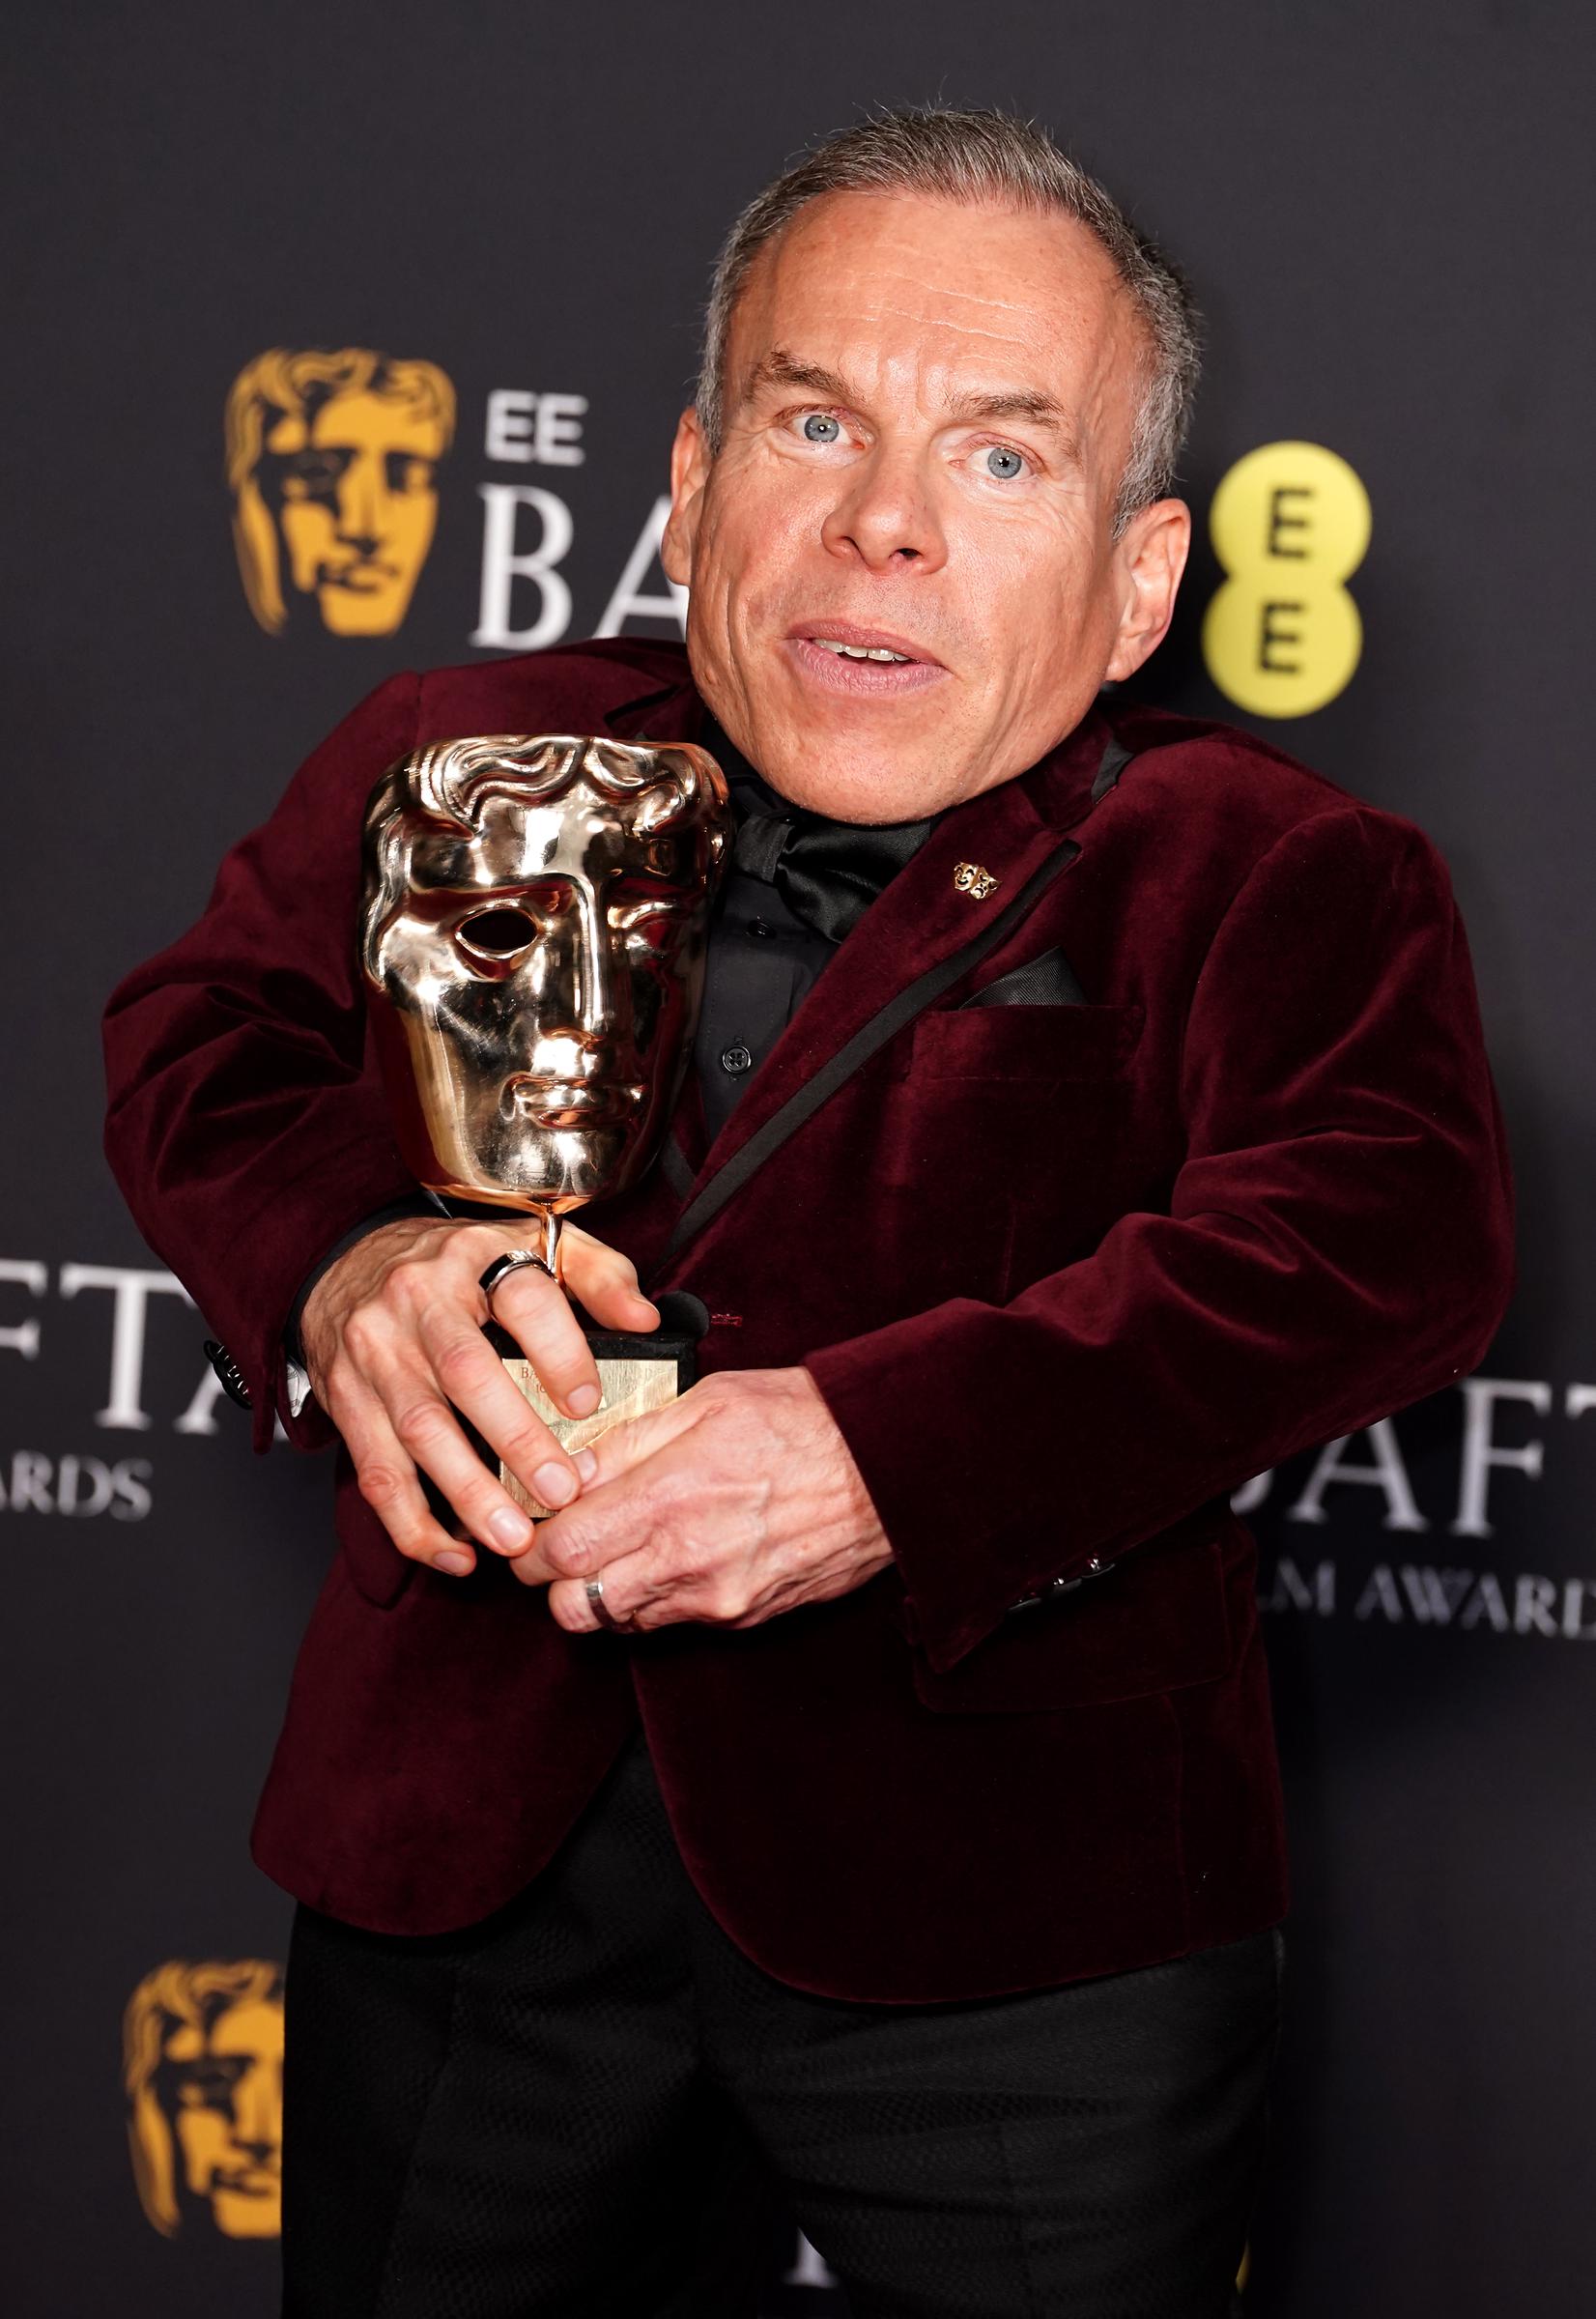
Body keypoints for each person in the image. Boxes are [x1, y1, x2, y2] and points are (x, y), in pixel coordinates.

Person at [102, 105, 1514, 2319]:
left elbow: (1381, 1232)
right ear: (685, 487)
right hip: (464, 1884)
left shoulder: (1270, 867)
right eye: (813, 420)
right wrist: (345, 1262)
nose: (883, 528)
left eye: (1000, 458)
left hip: (1026, 1942)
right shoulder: (449, 745)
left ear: (1140, 582)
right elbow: (200, 1039)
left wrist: (886, 1457)